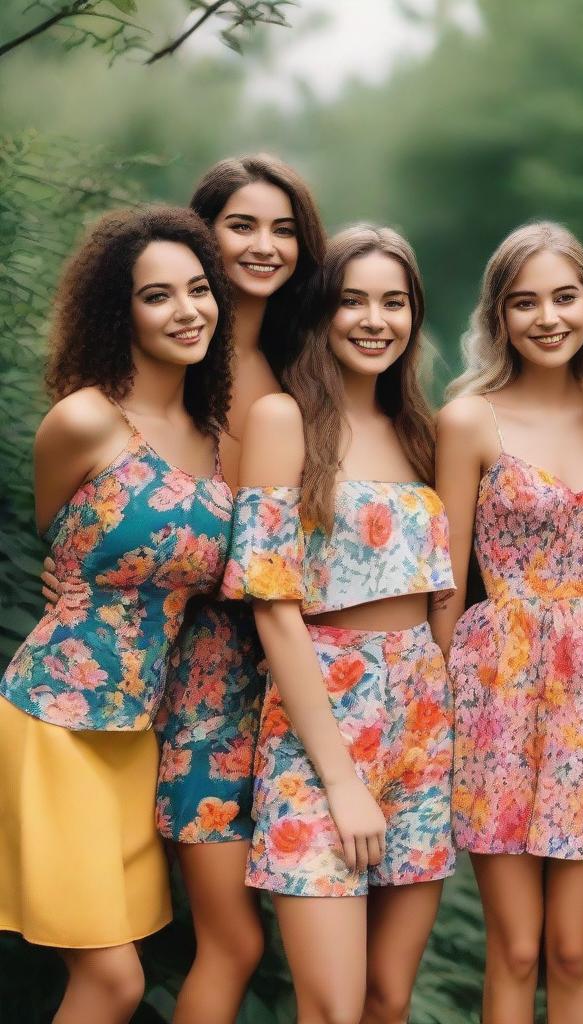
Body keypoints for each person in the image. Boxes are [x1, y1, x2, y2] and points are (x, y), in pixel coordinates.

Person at [41, 155, 328, 1024]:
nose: (265, 246)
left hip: (298, 676)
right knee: (213, 942)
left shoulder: (302, 371)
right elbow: (77, 528)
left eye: (285, 229)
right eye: (242, 225)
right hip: (176, 682)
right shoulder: (157, 392)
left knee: (258, 936)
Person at [0, 206, 234, 1023]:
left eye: (200, 290)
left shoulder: (216, 437)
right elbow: (57, 549)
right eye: (157, 296)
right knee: (114, 981)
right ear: (119, 312)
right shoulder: (85, 420)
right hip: (55, 718)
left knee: (112, 975)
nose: (186, 310)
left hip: (139, 733)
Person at [224, 225, 455, 1024]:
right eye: (353, 300)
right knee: (334, 1005)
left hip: (422, 721)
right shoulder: (285, 420)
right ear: (322, 312)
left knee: (389, 999)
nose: (374, 320)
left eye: (394, 302)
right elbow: (271, 605)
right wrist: (342, 782)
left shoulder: (424, 433)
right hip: (321, 716)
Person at [431, 222, 583, 1024]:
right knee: (516, 947)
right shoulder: (469, 419)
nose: (547, 317)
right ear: (499, 315)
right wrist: (437, 702)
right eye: (525, 303)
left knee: (575, 948)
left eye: (564, 297)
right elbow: (445, 580)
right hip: (495, 689)